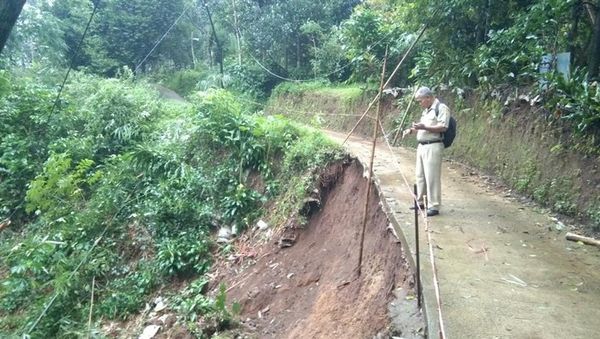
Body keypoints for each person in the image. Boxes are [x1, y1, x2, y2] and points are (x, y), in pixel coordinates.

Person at [402, 86, 451, 217]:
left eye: (420, 100)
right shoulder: (426, 110)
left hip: (433, 146)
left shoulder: (441, 108)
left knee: (432, 177)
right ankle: (421, 201)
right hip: (422, 146)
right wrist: (412, 130)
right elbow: (422, 127)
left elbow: (443, 127)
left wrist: (424, 127)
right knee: (420, 175)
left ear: (428, 97)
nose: (420, 103)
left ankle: (434, 205)